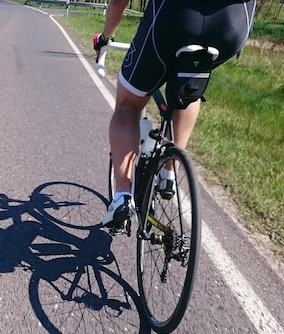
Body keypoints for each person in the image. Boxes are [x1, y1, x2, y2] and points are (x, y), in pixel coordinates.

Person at [94, 0, 256, 229]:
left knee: (127, 106)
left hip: (174, 17)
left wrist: (105, 38)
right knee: (189, 87)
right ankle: (170, 173)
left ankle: (122, 198)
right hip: (232, 24)